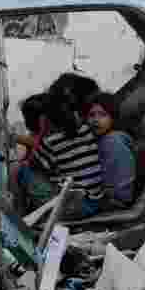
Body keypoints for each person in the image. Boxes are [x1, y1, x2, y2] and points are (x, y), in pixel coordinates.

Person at [30, 92, 105, 220]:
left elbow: (36, 165)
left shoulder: (51, 141)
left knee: (24, 172)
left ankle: (37, 212)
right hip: (97, 201)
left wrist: (42, 133)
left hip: (76, 206)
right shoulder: (88, 131)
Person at [86, 93, 136, 209]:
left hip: (116, 202)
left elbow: (124, 181)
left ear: (113, 117)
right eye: (92, 115)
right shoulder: (100, 140)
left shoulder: (113, 141)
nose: (96, 120)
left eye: (103, 115)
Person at [10, 93, 54, 212]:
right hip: (39, 177)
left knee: (16, 171)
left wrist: (15, 137)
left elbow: (35, 144)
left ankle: (21, 210)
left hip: (48, 181)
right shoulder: (35, 133)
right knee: (16, 170)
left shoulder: (48, 135)